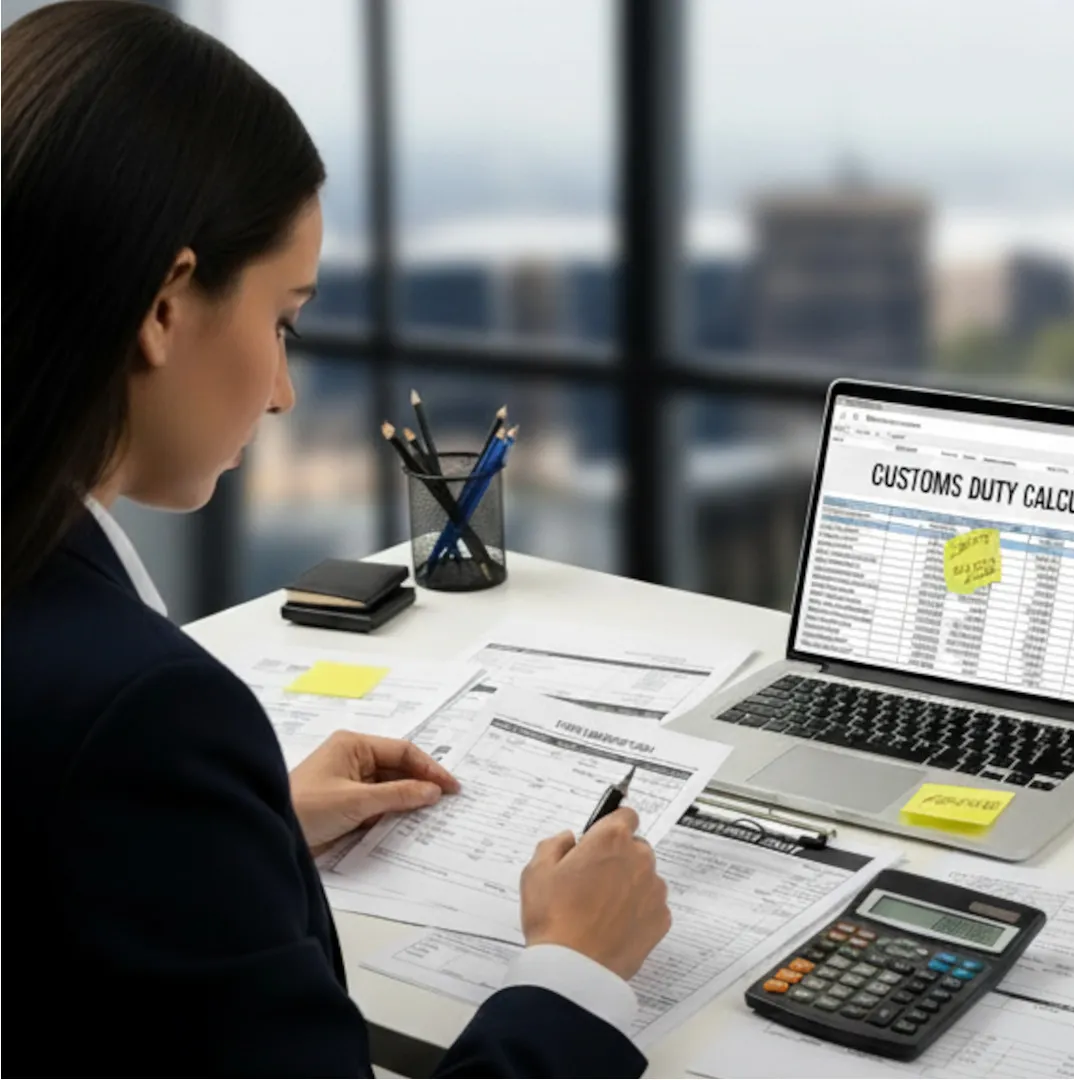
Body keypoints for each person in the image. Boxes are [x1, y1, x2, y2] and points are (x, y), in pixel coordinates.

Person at [2, 4, 670, 1074]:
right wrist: (576, 970)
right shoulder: (141, 716)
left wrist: (235, 837)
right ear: (166, 306)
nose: (281, 392)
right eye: (284, 320)